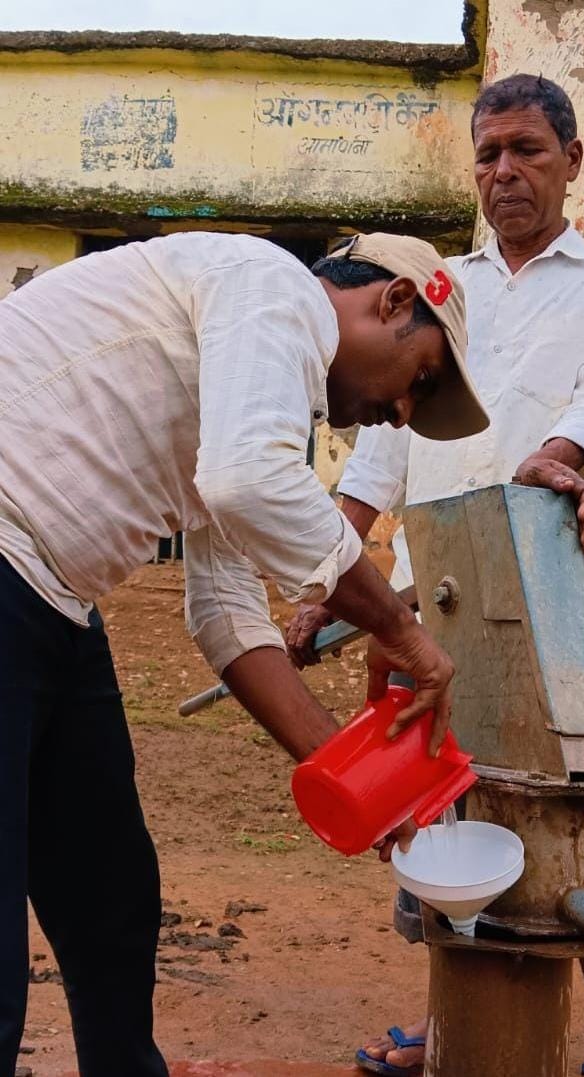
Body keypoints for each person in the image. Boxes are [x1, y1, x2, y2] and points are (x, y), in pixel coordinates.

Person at [0, 229, 492, 1077]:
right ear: (395, 302)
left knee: (110, 892)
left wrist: (360, 782)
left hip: (51, 601)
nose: (403, 411)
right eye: (420, 379)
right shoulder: (269, 285)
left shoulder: (252, 388)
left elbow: (226, 613)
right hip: (9, 571)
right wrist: (397, 627)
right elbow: (247, 482)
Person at [287, 75, 584, 1077]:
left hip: (544, 587)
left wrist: (556, 463)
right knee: (445, 801)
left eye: (526, 150)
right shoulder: (436, 287)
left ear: (571, 161)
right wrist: (330, 572)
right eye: (487, 152)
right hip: (429, 594)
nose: (503, 172)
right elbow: (383, 444)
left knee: (574, 810)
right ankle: (452, 1024)